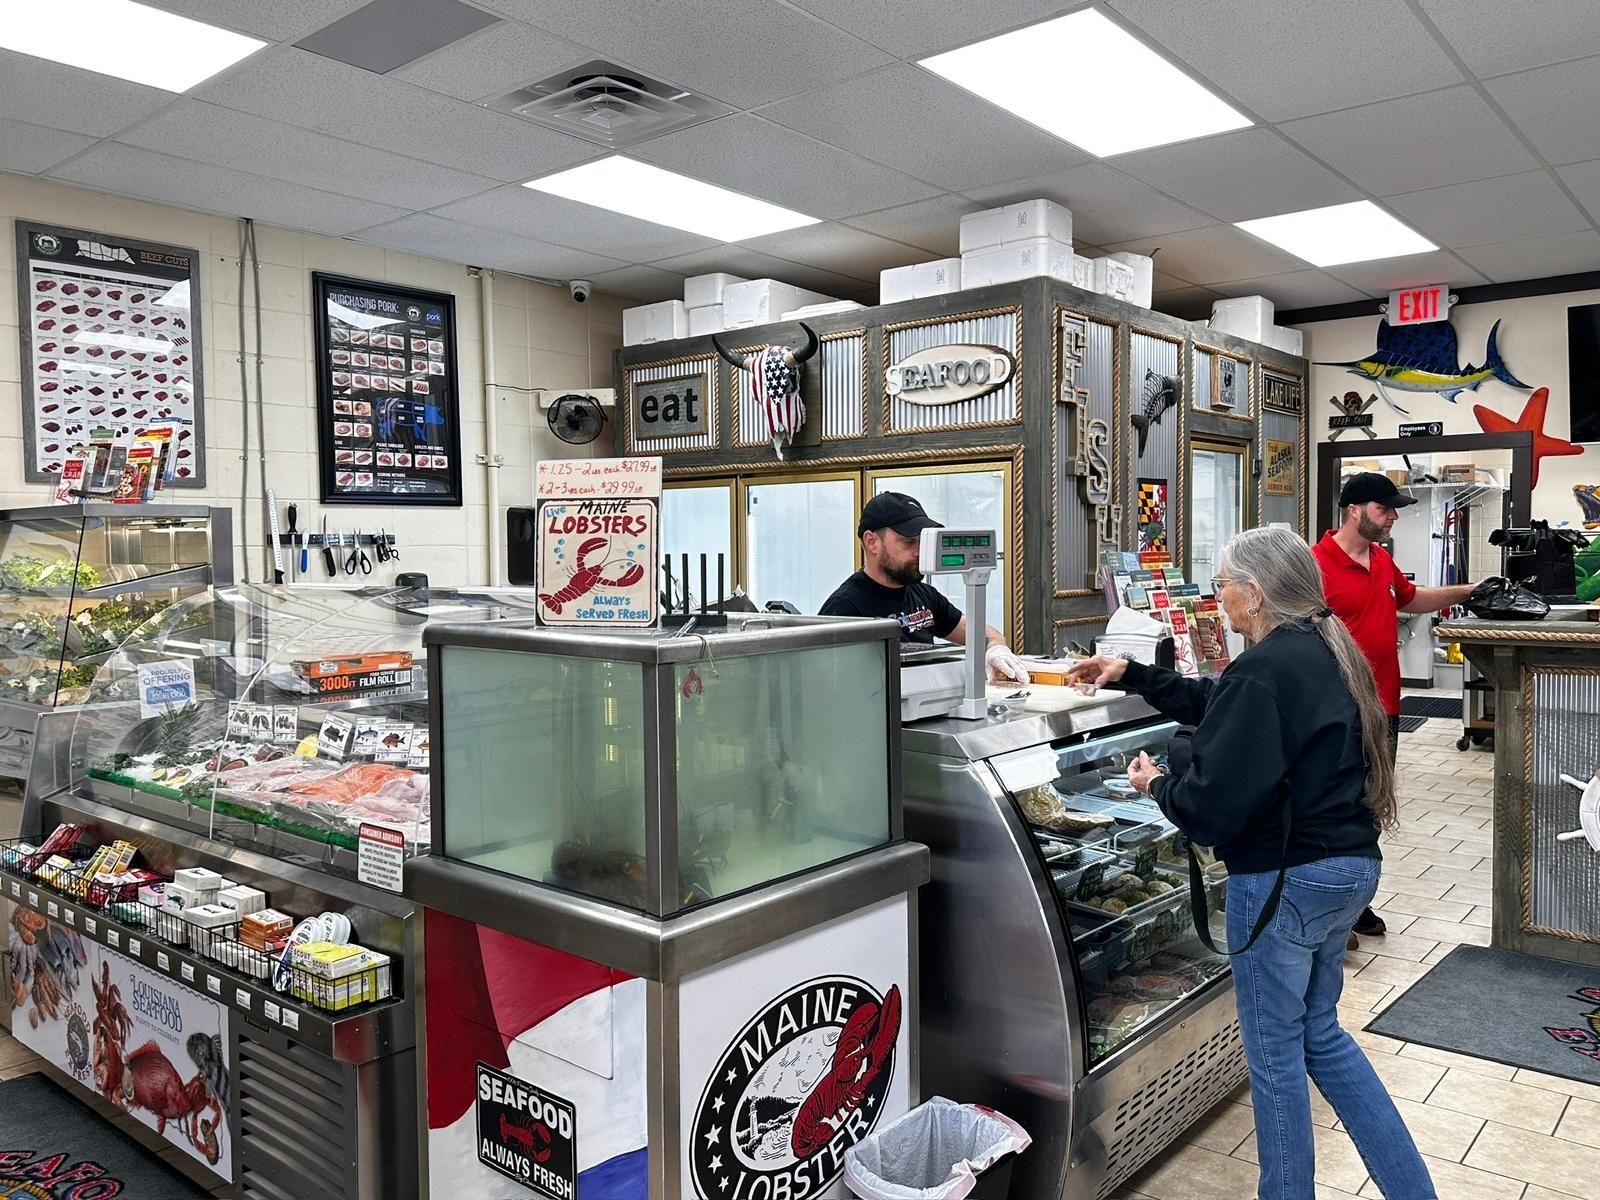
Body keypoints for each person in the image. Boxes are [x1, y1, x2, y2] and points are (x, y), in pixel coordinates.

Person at [1066, 527, 1435, 1200]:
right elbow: (1227, 705)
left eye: (1222, 586)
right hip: (1347, 871)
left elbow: (1212, 811)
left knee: (1272, 1060)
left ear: (1255, 593)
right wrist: (1138, 676)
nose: (1219, 600)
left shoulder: (1267, 667)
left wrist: (1156, 783)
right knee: (1320, 1034)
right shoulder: (1322, 646)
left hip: (1283, 882)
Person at [1314, 472, 1476, 948]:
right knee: (1334, 806)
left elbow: (1412, 600)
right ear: (1355, 511)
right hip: (1336, 709)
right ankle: (1328, 912)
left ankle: (1354, 900)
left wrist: (1466, 591)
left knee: (1372, 804)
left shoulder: (1382, 559)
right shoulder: (1314, 565)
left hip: (1385, 707)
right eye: (1385, 509)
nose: (1393, 517)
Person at [819, 491, 1029, 683]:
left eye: (923, 540)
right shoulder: (845, 608)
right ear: (872, 542)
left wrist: (996, 649)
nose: (920, 551)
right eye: (909, 542)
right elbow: (828, 681)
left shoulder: (924, 595)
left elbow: (981, 633)